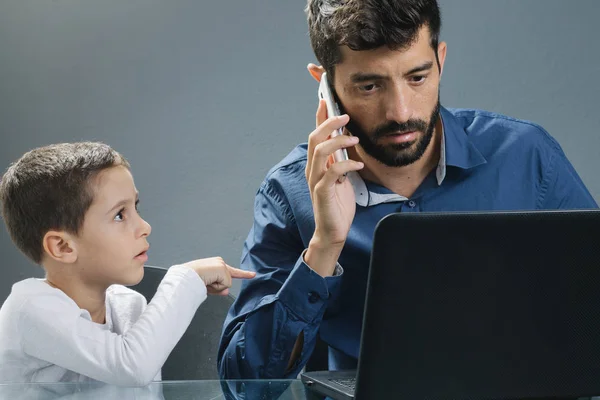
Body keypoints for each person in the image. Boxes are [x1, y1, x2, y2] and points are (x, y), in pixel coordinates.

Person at [218, 0, 598, 379]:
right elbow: (246, 384)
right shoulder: (290, 193)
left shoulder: (526, 158)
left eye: (417, 77)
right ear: (326, 85)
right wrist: (325, 246)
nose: (400, 112)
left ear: (440, 60)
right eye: (369, 85)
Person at [0, 142, 255, 386]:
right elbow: (131, 367)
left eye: (136, 207)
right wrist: (185, 279)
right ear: (63, 247)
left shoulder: (129, 305)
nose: (145, 227)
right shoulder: (29, 309)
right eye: (120, 215)